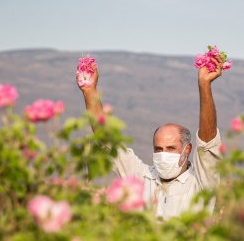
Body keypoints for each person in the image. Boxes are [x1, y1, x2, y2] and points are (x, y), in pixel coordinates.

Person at [78, 54, 224, 220]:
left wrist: (204, 85)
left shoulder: (201, 182)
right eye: (158, 149)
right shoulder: (142, 176)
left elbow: (207, 143)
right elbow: (107, 140)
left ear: (187, 149)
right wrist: (89, 90)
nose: (163, 154)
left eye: (171, 148)